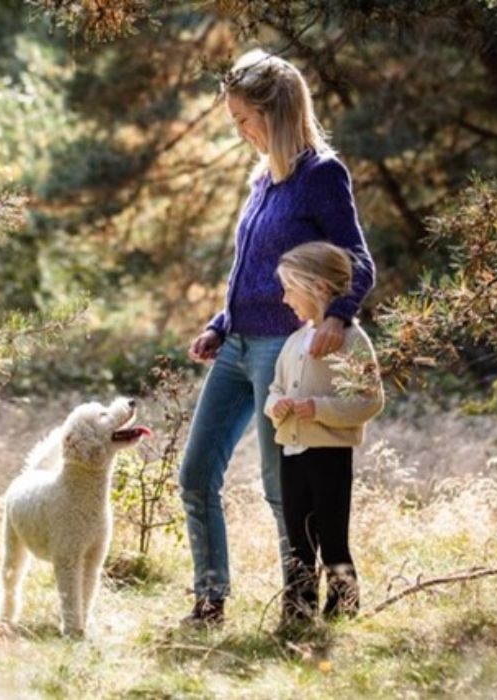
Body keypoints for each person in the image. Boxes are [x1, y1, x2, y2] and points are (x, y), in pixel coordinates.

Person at [177, 48, 376, 627]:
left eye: (244, 119)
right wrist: (220, 324)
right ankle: (210, 599)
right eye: (234, 120)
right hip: (237, 346)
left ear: (278, 112)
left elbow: (358, 260)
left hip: (283, 351)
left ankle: (300, 604)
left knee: (280, 486)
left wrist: (338, 315)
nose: (239, 131)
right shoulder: (264, 178)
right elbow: (253, 271)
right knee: (195, 476)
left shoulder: (321, 176)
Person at [265, 241, 384, 630]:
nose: (284, 299)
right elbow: (274, 391)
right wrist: (277, 406)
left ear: (316, 287)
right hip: (292, 452)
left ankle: (343, 613)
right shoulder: (293, 341)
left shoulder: (351, 340)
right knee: (298, 541)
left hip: (329, 455)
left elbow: (370, 401)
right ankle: (298, 615)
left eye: (288, 288)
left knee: (332, 538)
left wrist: (317, 408)